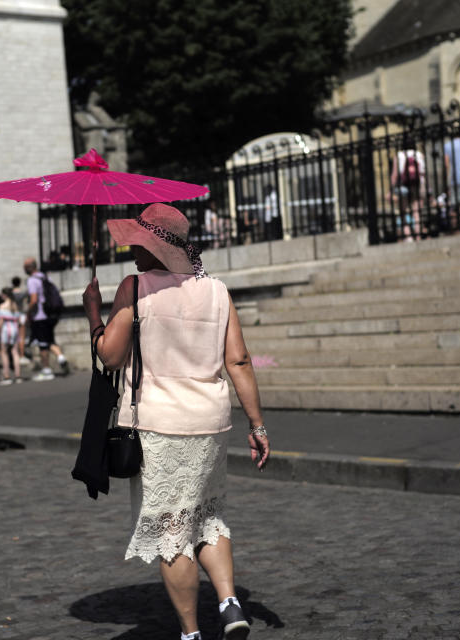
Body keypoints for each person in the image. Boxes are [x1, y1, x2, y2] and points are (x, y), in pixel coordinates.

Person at [82, 203, 270, 640]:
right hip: (211, 421)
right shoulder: (217, 290)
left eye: (140, 243)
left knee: (172, 529)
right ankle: (228, 602)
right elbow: (239, 361)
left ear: (159, 248)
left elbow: (109, 356)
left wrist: (93, 313)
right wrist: (257, 425)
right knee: (208, 515)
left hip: (159, 425)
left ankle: (190, 633)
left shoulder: (136, 287)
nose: (132, 250)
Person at [24, 257, 68, 381]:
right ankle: (61, 357)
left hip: (39, 317)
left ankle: (46, 370)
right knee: (49, 340)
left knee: (43, 344)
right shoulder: (44, 277)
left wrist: (27, 313)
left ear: (28, 268)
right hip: (49, 314)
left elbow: (33, 300)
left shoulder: (32, 280)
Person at [391, 144, 426, 241]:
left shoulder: (399, 155)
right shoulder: (419, 154)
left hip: (403, 186)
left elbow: (395, 174)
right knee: (416, 212)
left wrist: (391, 189)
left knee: (403, 212)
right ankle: (418, 236)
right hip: (416, 185)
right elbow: (423, 173)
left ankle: (408, 236)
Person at [0, 287, 22, 384]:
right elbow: (19, 320)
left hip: (6, 329)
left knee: (4, 352)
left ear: (4, 295)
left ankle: (7, 376)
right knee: (15, 352)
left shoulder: (2, 306)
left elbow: (0, 322)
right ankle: (18, 375)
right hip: (15, 328)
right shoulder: (15, 305)